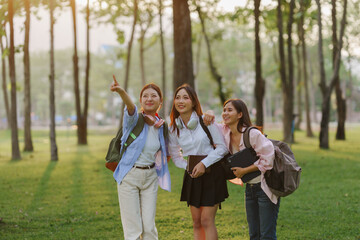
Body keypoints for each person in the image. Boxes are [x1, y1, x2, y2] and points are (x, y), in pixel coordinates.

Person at [110, 76, 174, 240]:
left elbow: (165, 151)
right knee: (133, 229)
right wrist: (121, 92)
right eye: (145, 96)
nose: (149, 98)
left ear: (160, 101)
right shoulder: (134, 120)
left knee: (148, 227)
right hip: (129, 176)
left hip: (150, 177)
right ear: (140, 100)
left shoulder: (162, 125)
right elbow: (130, 107)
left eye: (153, 95)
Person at [207, 98, 280, 240]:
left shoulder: (252, 134)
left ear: (240, 114)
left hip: (265, 187)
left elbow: (268, 159)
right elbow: (209, 123)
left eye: (230, 110)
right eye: (224, 110)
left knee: (266, 236)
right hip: (250, 189)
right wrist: (209, 113)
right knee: (254, 234)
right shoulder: (225, 132)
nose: (225, 113)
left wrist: (244, 171)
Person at [167, 84, 229, 240]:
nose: (181, 101)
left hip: (212, 174)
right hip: (192, 176)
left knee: (206, 220)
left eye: (185, 97)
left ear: (193, 102)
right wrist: (189, 167)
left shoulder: (206, 121)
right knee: (196, 222)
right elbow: (175, 156)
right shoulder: (174, 128)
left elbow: (222, 148)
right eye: (178, 97)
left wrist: (204, 164)